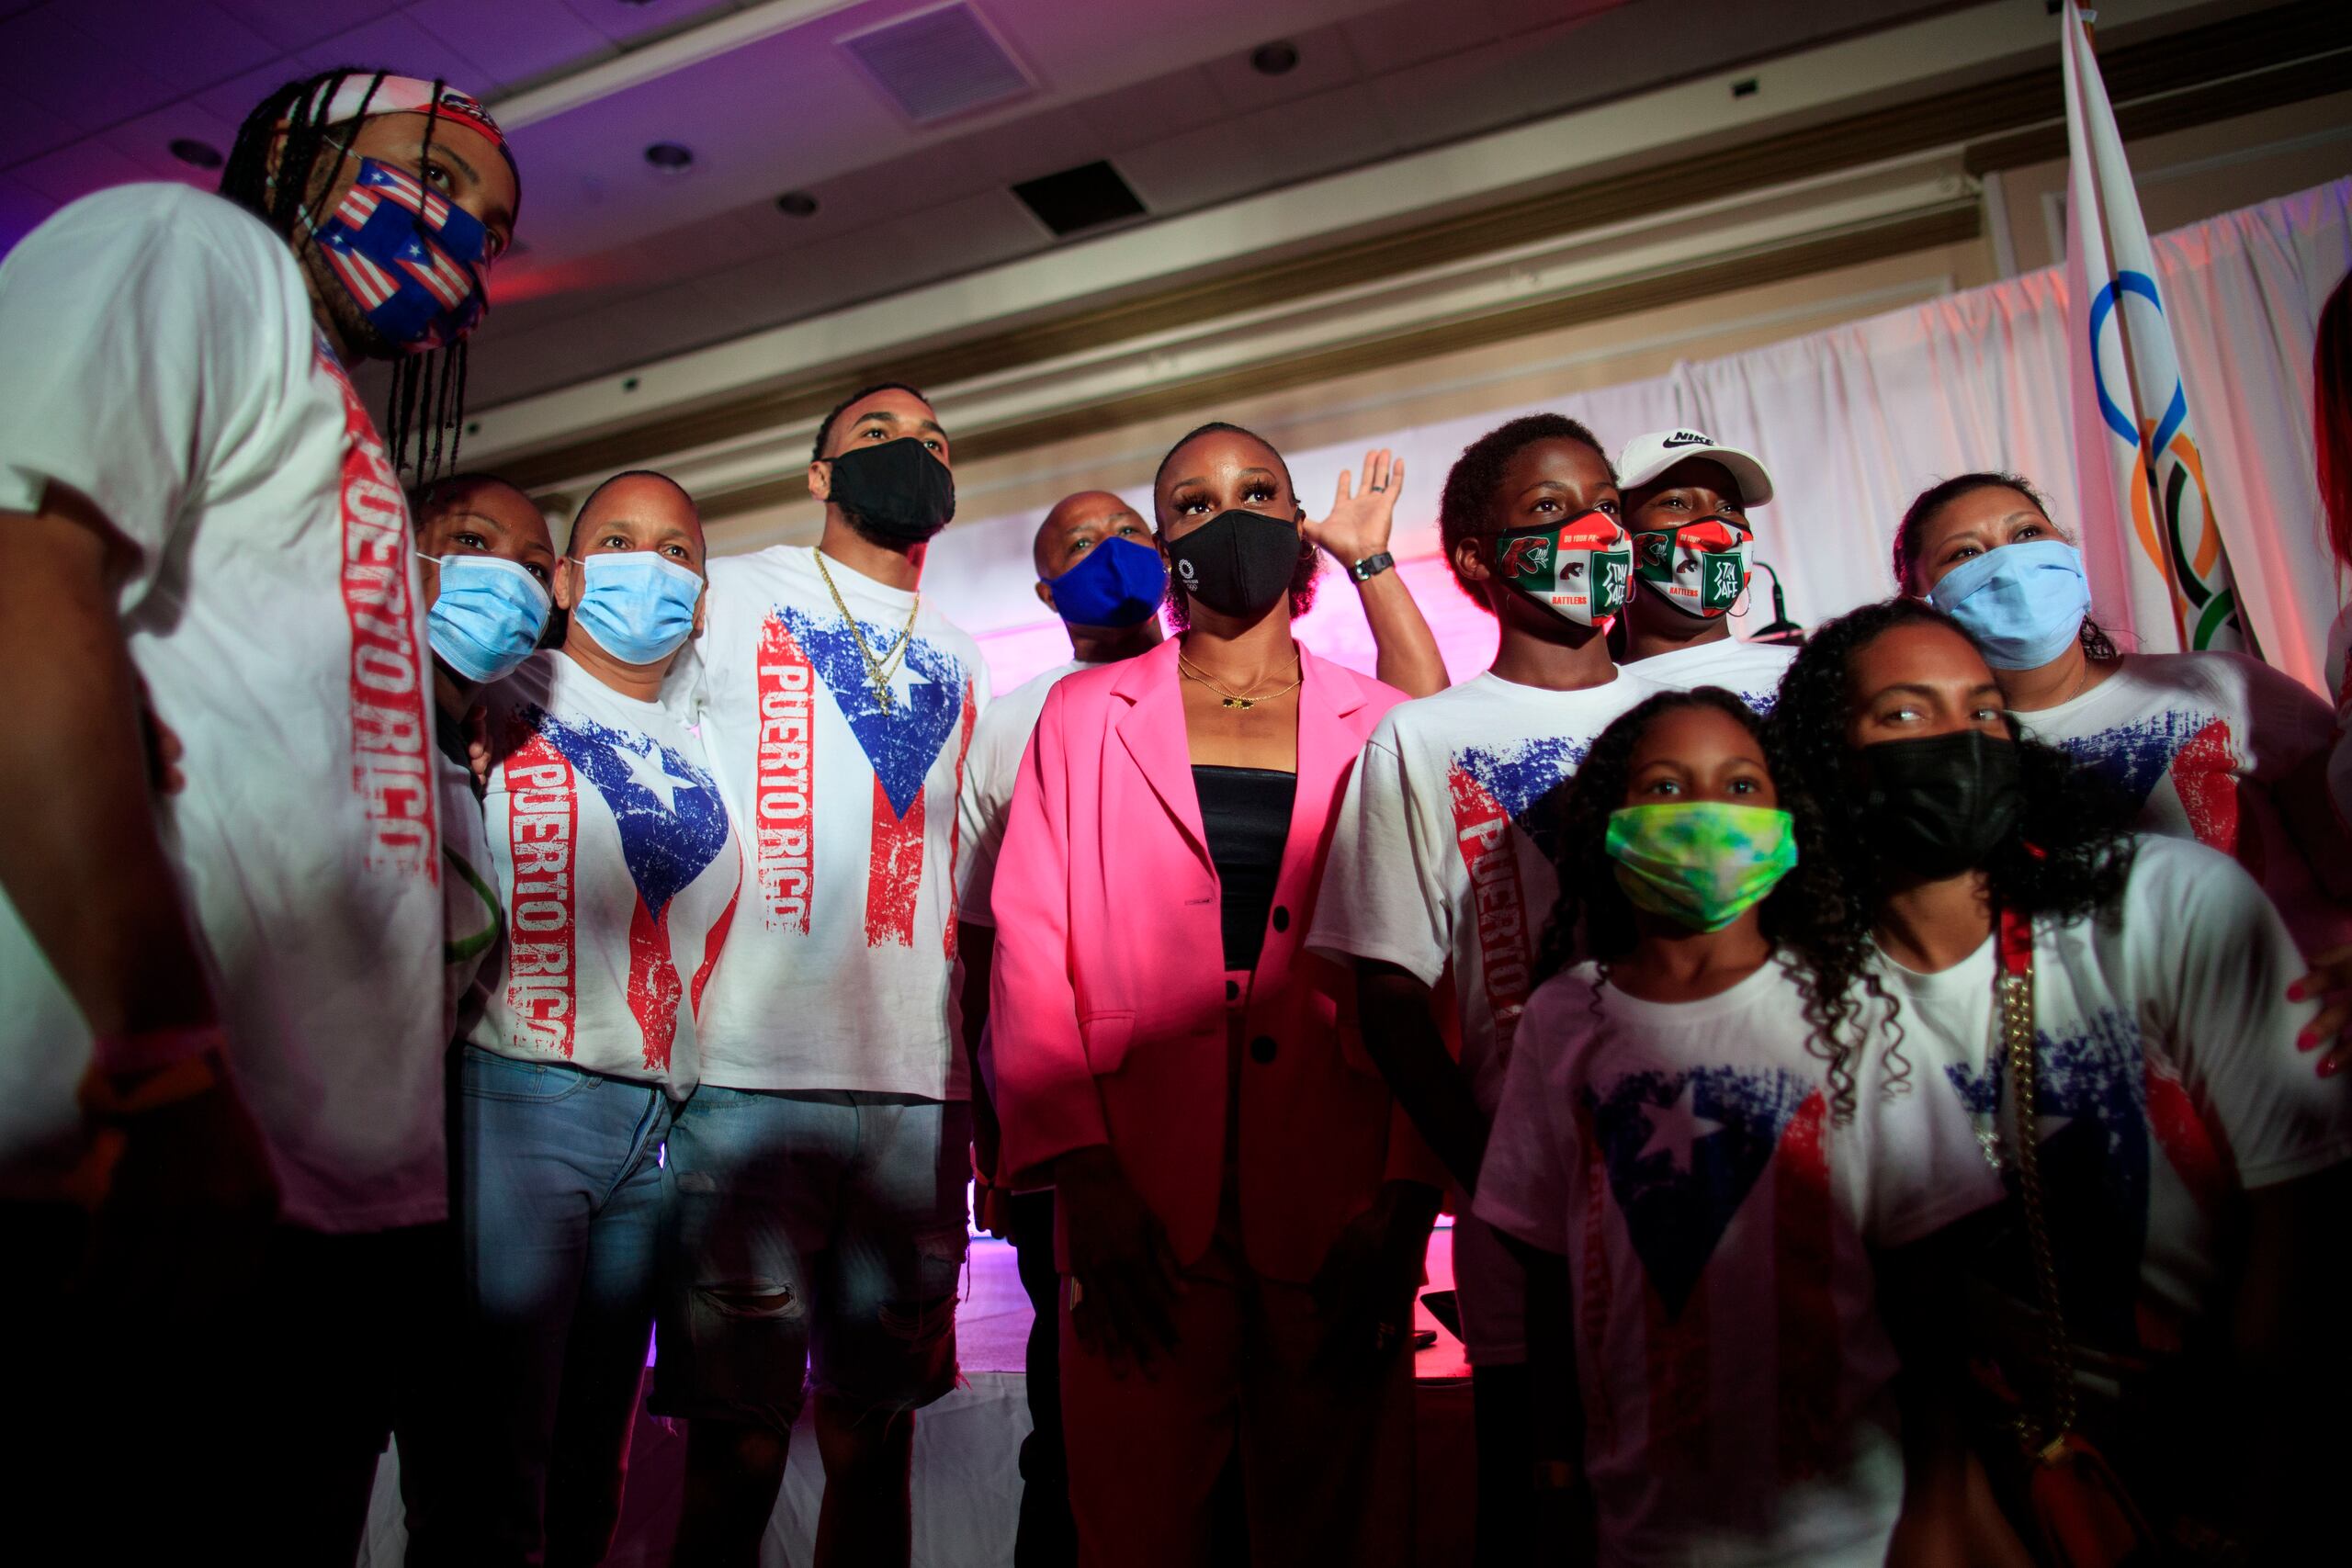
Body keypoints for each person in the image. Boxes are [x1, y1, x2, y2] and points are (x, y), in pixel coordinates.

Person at [0, 67, 517, 1557]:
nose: (463, 241)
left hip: (310, 1191)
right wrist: (161, 1059)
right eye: (441, 182)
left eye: (489, 233)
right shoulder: (180, 244)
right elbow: (24, 576)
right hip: (150, 1151)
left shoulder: (324, 405)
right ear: (304, 150)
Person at [1773, 597, 2352, 1558]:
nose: (1959, 740)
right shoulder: (1807, 1001)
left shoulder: (2158, 899)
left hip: (2258, 1437)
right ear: (1822, 761)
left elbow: (2305, 1211)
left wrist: (2248, 1490)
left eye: (1984, 711)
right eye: (1906, 715)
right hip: (2025, 1474)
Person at [956, 471, 1444, 1568]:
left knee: (1337, 1517)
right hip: (1133, 1185)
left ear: (1296, 524)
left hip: (1335, 1177)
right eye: (1192, 501)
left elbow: (1428, 965)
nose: (1228, 516)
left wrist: (1411, 1190)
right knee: (1136, 1520)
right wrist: (1079, 1175)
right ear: (1169, 541)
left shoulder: (1383, 719)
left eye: (1258, 491)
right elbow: (1031, 950)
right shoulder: (1077, 714)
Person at [1475, 686, 1973, 1565]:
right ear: (1608, 822)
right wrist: (1555, 1483)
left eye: (1740, 785)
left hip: (1856, 1530)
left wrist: (1940, 1503)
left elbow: (1933, 1287)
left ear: (1787, 821)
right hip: (1639, 1531)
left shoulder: (1852, 1006)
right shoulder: (1563, 1018)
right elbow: (1548, 1279)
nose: (1706, 809)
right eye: (1666, 787)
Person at [1306, 412, 1657, 1564]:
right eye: (1549, 513)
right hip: (1532, 1224)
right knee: (1542, 1499)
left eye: (1602, 500)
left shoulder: (1691, 717)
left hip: (1718, 1164)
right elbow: (1390, 1002)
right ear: (1472, 560)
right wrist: (1497, 1178)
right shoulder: (1421, 744)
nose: (1589, 528)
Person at [655, 383, 986, 1568]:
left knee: (874, 1432)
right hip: (749, 1073)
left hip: (915, 1082)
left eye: (933, 441)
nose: (912, 452)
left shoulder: (963, 650)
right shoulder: (734, 591)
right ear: (818, 476)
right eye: (876, 437)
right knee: (736, 1439)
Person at [406, 471, 740, 1565]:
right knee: (490, 1467)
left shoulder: (710, 731)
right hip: (513, 1088)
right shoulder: (504, 690)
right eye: (616, 540)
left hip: (656, 1123)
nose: (649, 565)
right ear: (564, 575)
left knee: (598, 1459)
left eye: (677, 551)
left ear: (701, 589)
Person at [1893, 471, 2352, 1055]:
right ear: (1921, 604)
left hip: (2304, 1053)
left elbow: (2344, 863)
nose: (2009, 564)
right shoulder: (1945, 769)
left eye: (2028, 533)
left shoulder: (2221, 687)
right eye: (1966, 553)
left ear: (2069, 553)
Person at [410, 471, 560, 1040]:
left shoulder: (468, 764)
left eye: (535, 570)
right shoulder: (341, 714)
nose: (509, 579)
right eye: (473, 542)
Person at [1613, 428, 1797, 709]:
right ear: (1618, 529)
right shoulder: (1598, 700)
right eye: (1675, 502)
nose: (1716, 530)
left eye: (1728, 508)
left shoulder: (1801, 674)